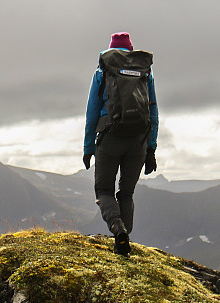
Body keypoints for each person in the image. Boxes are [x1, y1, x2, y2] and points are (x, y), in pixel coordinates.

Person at [83, 31, 159, 256]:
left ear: (111, 49)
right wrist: (151, 148)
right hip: (138, 141)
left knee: (104, 191)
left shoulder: (102, 71)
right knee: (126, 194)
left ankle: (118, 230)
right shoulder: (145, 72)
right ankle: (123, 245)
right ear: (131, 49)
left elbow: (92, 112)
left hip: (110, 138)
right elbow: (153, 111)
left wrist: (88, 148)